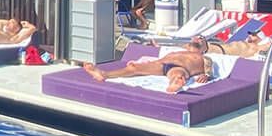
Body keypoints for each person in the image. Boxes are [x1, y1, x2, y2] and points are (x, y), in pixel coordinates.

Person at [81, 42, 212, 92]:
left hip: (181, 67)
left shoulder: (203, 57)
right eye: (196, 38)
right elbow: (158, 57)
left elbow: (208, 69)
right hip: (161, 64)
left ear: (205, 48)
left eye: (201, 39)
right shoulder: (177, 50)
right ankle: (104, 74)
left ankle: (176, 83)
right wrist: (142, 63)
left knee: (177, 73)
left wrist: (206, 75)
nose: (198, 39)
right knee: (134, 69)